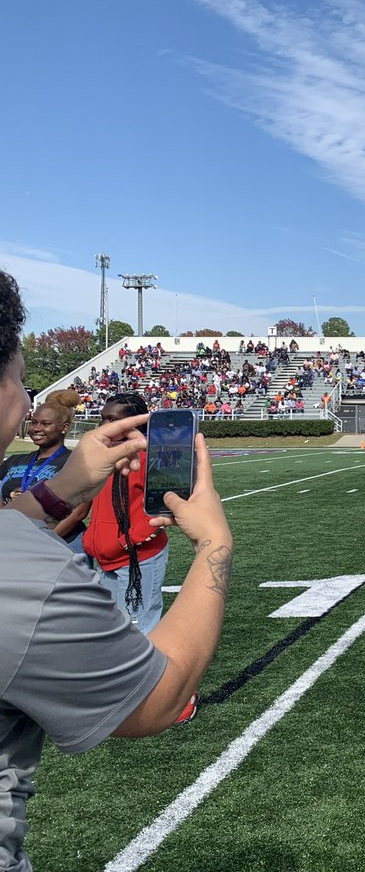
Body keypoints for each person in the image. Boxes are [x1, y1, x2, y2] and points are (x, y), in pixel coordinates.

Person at [0, 271, 233, 871]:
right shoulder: (25, 574)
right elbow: (151, 702)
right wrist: (213, 546)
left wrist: (59, 490)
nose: (30, 403)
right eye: (23, 381)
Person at [84, 394, 173, 639]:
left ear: (134, 422)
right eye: (103, 419)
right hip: (105, 557)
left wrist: (126, 542)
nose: (106, 425)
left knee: (138, 630)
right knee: (113, 631)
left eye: (113, 419)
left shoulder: (150, 458)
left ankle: (152, 679)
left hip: (136, 557)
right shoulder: (103, 457)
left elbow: (163, 508)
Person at [0, 389, 89, 552]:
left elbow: (78, 512)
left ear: (64, 428)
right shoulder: (14, 461)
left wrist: (41, 542)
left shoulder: (75, 462)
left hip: (60, 545)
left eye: (46, 424)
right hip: (13, 542)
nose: (36, 428)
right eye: (34, 422)